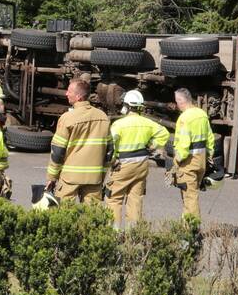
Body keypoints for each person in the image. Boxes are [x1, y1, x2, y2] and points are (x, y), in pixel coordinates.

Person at [106, 89, 170, 228]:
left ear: (126, 106)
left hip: (122, 164)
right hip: (141, 163)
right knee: (136, 198)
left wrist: (112, 161)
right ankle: (133, 234)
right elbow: (164, 134)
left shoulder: (119, 124)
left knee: (114, 198)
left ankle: (113, 233)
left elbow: (110, 144)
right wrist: (152, 146)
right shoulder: (148, 123)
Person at [46, 78, 112, 204]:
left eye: (69, 91)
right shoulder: (103, 117)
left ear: (79, 96)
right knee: (91, 218)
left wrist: (52, 177)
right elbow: (109, 152)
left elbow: (57, 152)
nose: (66, 93)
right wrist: (102, 175)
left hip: (70, 178)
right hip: (94, 178)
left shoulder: (67, 118)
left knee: (64, 215)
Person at [171, 88, 217, 219]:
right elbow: (210, 138)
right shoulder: (202, 114)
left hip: (188, 162)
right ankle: (185, 226)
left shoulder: (184, 118)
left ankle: (192, 232)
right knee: (191, 194)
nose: (177, 104)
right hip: (201, 161)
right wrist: (209, 156)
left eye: (177, 101)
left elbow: (184, 145)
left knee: (190, 198)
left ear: (181, 101)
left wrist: (177, 161)